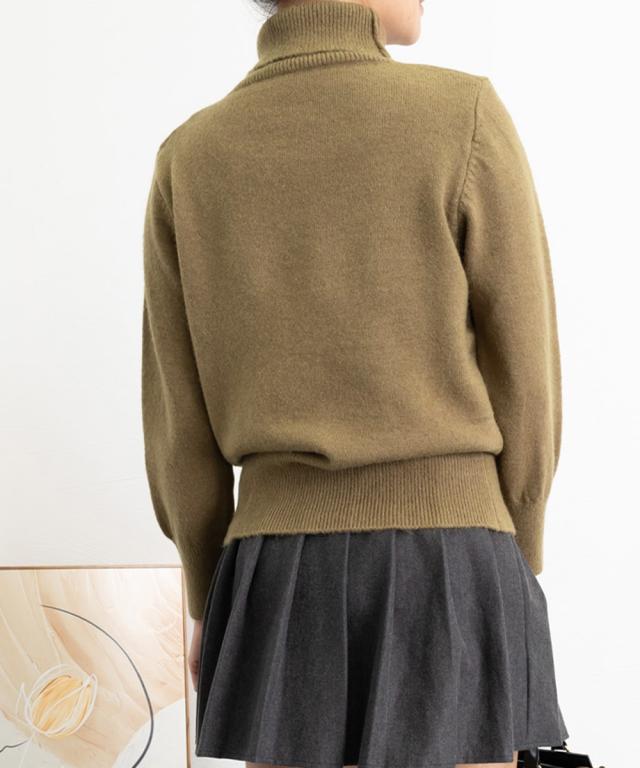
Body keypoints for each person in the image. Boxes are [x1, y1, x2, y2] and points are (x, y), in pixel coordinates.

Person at [140, 0, 569, 766]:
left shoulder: (190, 157)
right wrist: (514, 553)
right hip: (455, 561)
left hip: (276, 579)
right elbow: (527, 376)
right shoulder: (462, 115)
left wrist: (210, 593)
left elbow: (180, 427)